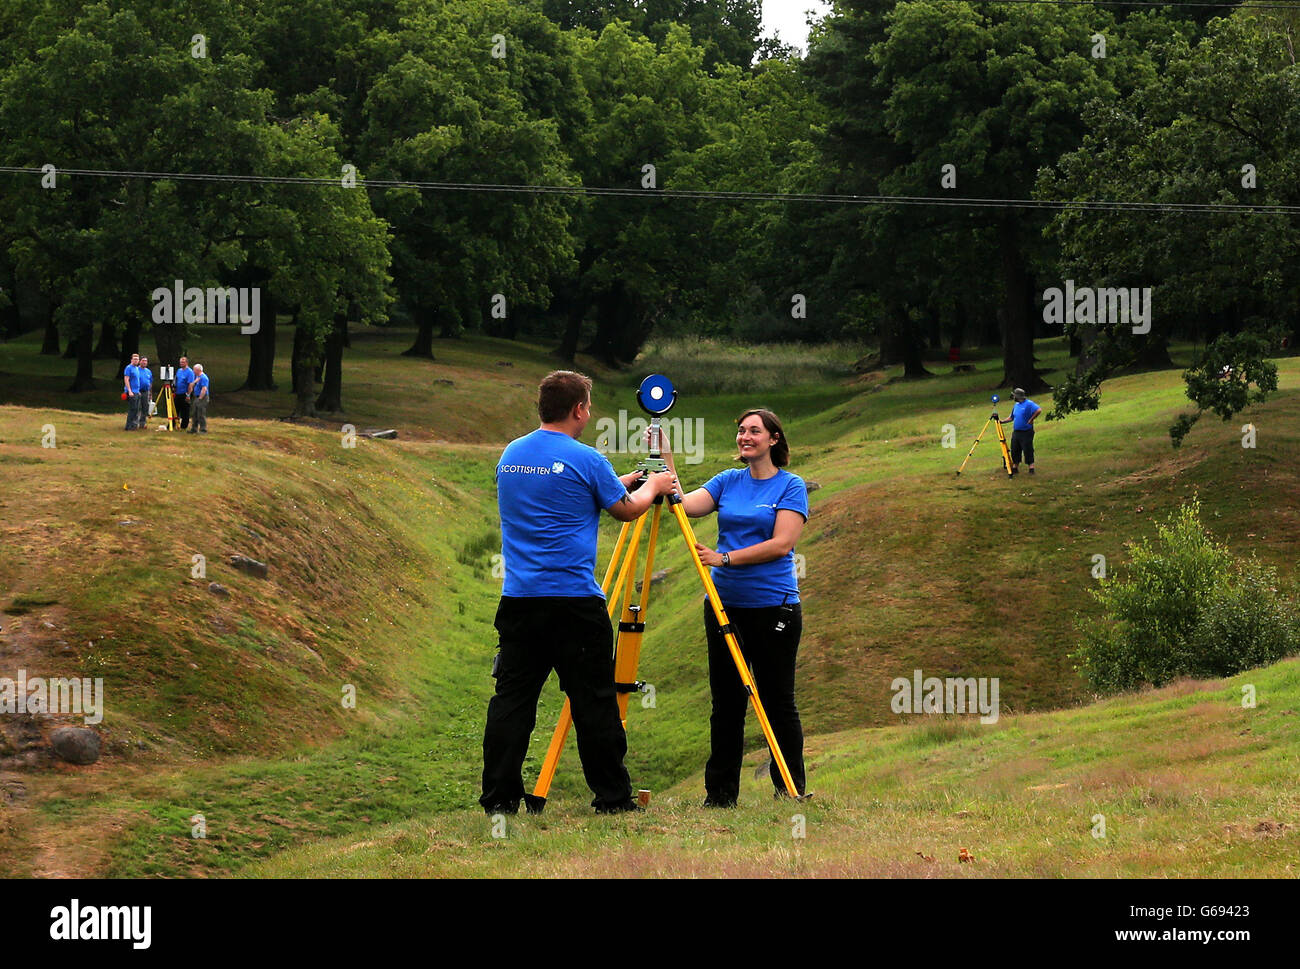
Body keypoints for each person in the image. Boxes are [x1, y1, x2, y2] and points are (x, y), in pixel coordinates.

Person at [480, 370, 677, 815]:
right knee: (594, 702)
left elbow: (563, 489)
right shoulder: (585, 458)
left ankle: (499, 800)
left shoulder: (511, 454)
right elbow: (625, 511)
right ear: (579, 410)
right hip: (573, 602)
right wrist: (655, 485)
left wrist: (621, 478)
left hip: (519, 600)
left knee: (512, 701)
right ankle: (612, 798)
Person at [659, 408, 810, 806]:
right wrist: (667, 459)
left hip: (774, 608)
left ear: (774, 439)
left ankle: (789, 789)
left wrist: (725, 559)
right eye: (741, 431)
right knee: (726, 703)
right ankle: (720, 796)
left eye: (754, 431)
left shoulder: (790, 486)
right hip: (725, 608)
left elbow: (782, 544)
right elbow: (686, 504)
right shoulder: (728, 481)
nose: (745, 437)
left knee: (778, 700)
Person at [1000, 387, 1041, 474]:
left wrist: (1031, 420)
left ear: (1019, 396)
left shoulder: (1029, 404)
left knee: (1027, 448)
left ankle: (1031, 467)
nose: (1013, 397)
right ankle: (1015, 466)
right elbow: (1011, 417)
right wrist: (1002, 422)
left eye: (1014, 396)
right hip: (1016, 432)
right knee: (1015, 449)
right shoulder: (1016, 405)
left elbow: (1038, 410)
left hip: (1026, 431)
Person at [174, 356, 195, 429]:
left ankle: (184, 426)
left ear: (186, 363)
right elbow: (176, 380)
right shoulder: (179, 370)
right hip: (178, 393)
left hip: (185, 393)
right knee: (175, 409)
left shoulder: (190, 372)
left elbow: (190, 384)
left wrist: (188, 395)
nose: (181, 363)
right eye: (180, 362)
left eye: (183, 362)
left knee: (185, 411)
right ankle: (173, 424)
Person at [122, 353, 142, 430]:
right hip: (131, 392)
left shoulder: (137, 368)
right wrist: (129, 391)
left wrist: (138, 390)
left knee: (136, 409)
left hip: (137, 391)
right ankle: (128, 426)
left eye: (137, 359)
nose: (136, 360)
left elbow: (137, 381)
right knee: (132, 409)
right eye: (135, 359)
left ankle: (133, 425)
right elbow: (126, 379)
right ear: (131, 360)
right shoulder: (128, 368)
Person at [188, 364, 209, 434]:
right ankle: (194, 428)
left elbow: (204, 389)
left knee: (201, 413)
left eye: (194, 370)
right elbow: (192, 385)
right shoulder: (198, 377)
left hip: (202, 397)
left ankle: (203, 429)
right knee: (194, 413)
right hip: (196, 397)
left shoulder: (204, 378)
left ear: (198, 370)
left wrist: (200, 398)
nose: (193, 371)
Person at [137, 356, 153, 428]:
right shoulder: (136, 370)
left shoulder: (148, 371)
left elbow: (150, 383)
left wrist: (150, 393)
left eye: (146, 361)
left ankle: (142, 423)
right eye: (143, 361)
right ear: (140, 361)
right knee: (137, 407)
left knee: (145, 407)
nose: (144, 362)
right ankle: (135, 423)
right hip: (138, 391)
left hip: (146, 391)